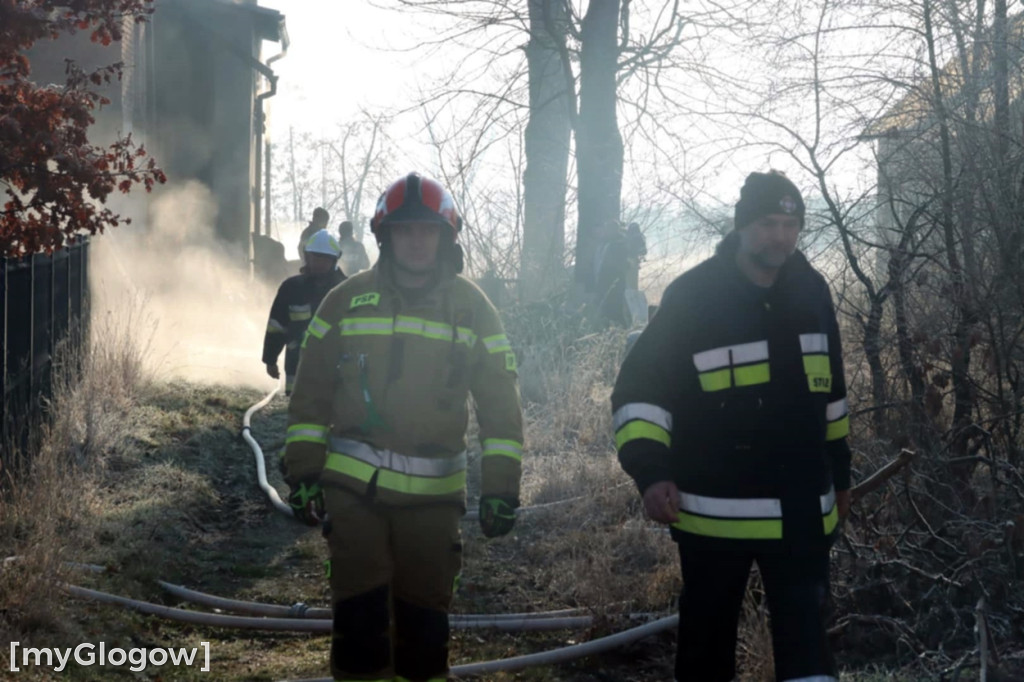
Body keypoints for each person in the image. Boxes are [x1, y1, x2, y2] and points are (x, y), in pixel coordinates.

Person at [281, 172, 524, 681]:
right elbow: (311, 393)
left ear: (446, 235)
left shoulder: (473, 309)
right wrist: (303, 472)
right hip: (354, 493)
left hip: (435, 500)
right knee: (361, 623)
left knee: (424, 630)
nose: (417, 240)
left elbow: (500, 405)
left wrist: (502, 487)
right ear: (385, 235)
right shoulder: (345, 300)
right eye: (406, 230)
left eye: (427, 230)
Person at [611, 170, 852, 682]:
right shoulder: (694, 296)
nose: (781, 236)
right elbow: (640, 394)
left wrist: (844, 477)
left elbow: (831, 397)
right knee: (705, 652)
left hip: (804, 512)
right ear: (742, 226)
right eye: (769, 223)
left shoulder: (812, 291)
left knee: (809, 655)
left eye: (791, 224)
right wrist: (651, 474)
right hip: (714, 517)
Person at [262, 229, 346, 395]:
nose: (318, 263)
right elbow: (276, 326)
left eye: (324, 259)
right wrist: (270, 359)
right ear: (307, 257)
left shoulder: (346, 290)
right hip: (297, 364)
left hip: (335, 367)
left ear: (334, 261)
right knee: (298, 412)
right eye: (315, 257)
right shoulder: (291, 288)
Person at [593, 219, 630, 327]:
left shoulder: (620, 244)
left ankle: (622, 330)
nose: (606, 231)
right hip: (602, 282)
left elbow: (620, 265)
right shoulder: (603, 244)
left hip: (615, 282)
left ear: (615, 230)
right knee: (604, 310)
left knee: (616, 309)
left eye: (609, 229)